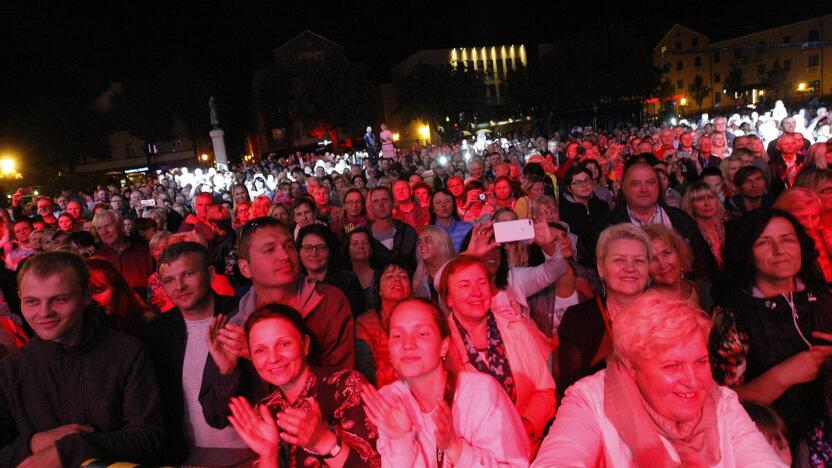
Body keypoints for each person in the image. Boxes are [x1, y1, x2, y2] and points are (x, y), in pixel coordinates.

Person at [533, 291, 787, 467]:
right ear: (633, 367)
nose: (693, 380)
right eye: (673, 366)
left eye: (700, 362)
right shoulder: (590, 399)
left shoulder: (723, 403)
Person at [0, 251, 163, 467]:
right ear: (19, 297)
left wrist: (70, 449)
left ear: (86, 296)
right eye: (31, 301)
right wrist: (32, 444)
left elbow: (149, 436)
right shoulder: (11, 370)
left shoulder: (127, 352)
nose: (44, 312)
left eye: (59, 300)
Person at [360, 298, 530, 467]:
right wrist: (401, 441)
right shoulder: (390, 399)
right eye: (397, 335)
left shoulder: (481, 393)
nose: (408, 344)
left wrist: (456, 449)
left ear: (444, 346)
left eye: (422, 334)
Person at [710, 208, 832, 437]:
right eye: (763, 243)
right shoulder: (732, 314)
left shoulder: (823, 296)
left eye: (787, 239)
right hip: (778, 439)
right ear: (746, 254)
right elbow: (723, 401)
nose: (780, 251)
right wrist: (782, 376)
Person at [228, 304, 381, 468]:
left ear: (305, 344)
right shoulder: (265, 410)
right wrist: (268, 455)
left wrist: (322, 441)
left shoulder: (347, 386)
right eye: (260, 350)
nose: (273, 358)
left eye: (284, 344)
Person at [142, 242, 255, 464]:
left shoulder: (243, 315)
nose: (180, 286)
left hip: (251, 450)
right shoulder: (157, 333)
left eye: (188, 274)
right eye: (169, 280)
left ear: (211, 274)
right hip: (189, 454)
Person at [440, 255, 557, 452]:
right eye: (465, 285)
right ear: (449, 299)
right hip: (471, 456)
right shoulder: (441, 343)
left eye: (482, 283)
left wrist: (526, 425)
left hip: (526, 449)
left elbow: (545, 389)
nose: (476, 292)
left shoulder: (516, 328)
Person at [229, 217, 355, 369]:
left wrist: (263, 359)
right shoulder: (236, 325)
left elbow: (342, 384)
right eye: (270, 249)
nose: (285, 256)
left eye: (289, 246)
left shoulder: (329, 302)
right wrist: (227, 373)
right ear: (245, 268)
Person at [556, 223, 651, 394]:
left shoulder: (666, 315)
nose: (630, 268)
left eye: (639, 261)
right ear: (601, 268)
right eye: (619, 260)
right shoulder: (577, 319)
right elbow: (570, 390)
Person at [593, 162, 716, 281]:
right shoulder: (607, 226)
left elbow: (703, 266)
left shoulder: (682, 220)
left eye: (650, 182)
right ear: (624, 187)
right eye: (636, 184)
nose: (644, 189)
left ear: (658, 185)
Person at [356, 258, 413, 388]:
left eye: (403, 276)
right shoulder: (364, 323)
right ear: (379, 289)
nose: (397, 279)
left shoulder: (423, 316)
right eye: (389, 276)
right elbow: (368, 373)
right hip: (383, 393)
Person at [297, 224, 366, 317]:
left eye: (321, 247)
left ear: (330, 252)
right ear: (299, 253)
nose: (314, 253)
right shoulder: (293, 284)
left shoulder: (348, 281)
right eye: (307, 248)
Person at [773, 187, 832, 283]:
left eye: (814, 216)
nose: (809, 223)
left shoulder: (821, 235)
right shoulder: (775, 241)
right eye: (802, 217)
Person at [92, 209, 155, 296]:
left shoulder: (144, 251)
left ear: (121, 225)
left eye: (108, 226)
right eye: (99, 228)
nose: (104, 232)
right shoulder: (97, 258)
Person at [88, 257, 156, 334]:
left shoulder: (147, 323)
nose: (91, 300)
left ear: (116, 286)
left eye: (98, 290)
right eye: (84, 294)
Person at [559, 166, 610, 266]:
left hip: (605, 257)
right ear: (569, 188)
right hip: (579, 264)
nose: (584, 185)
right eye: (578, 183)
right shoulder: (564, 212)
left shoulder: (602, 206)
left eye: (587, 180)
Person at [643, 224, 700, 305]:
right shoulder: (645, 305)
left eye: (666, 253)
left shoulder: (704, 292)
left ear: (679, 253)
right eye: (653, 259)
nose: (663, 265)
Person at [368, 186, 417, 269]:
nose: (380, 205)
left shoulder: (407, 232)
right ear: (371, 206)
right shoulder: (365, 235)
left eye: (384, 200)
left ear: (393, 203)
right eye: (376, 201)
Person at [681, 181, 727, 268]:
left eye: (711, 197)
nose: (707, 203)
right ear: (690, 205)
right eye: (699, 199)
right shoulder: (688, 235)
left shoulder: (731, 225)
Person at [412, 225, 455, 302]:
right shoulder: (419, 280)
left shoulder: (455, 272)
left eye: (427, 240)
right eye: (419, 242)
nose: (421, 245)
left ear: (442, 245)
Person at [430, 188, 473, 253]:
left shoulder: (468, 229)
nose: (443, 205)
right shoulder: (428, 233)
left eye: (447, 201)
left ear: (454, 205)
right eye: (438, 202)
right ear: (433, 208)